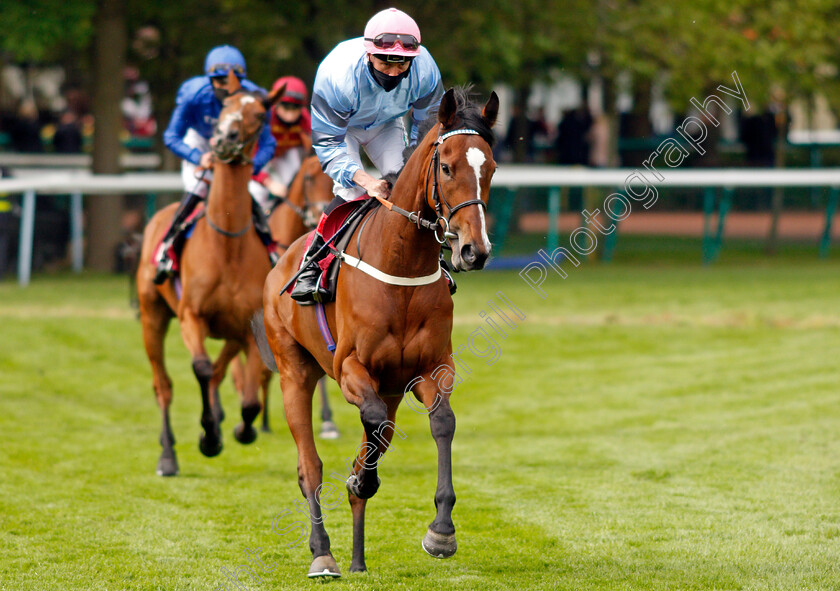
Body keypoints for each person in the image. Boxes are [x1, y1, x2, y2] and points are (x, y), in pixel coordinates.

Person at [291, 7, 445, 303]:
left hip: (386, 124)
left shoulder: (425, 68)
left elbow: (427, 129)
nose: (393, 71)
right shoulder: (337, 75)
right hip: (342, 131)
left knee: (408, 188)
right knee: (350, 191)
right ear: (368, 53)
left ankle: (432, 261)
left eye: (402, 64)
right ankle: (312, 264)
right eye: (385, 62)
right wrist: (367, 181)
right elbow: (328, 147)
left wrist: (411, 169)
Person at [153, 45, 278, 284]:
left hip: (233, 147)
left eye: (229, 81)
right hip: (199, 142)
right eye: (217, 81)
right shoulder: (193, 94)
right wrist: (198, 157)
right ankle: (167, 248)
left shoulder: (255, 98)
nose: (223, 86)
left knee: (245, 193)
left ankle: (269, 248)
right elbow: (171, 136)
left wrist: (253, 167)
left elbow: (268, 143)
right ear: (208, 79)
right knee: (199, 189)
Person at [250, 76, 312, 213]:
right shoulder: (264, 118)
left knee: (296, 184)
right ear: (276, 104)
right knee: (257, 192)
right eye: (285, 106)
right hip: (261, 157)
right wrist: (268, 182)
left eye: (295, 107)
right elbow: (250, 163)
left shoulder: (305, 120)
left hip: (285, 154)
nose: (290, 114)